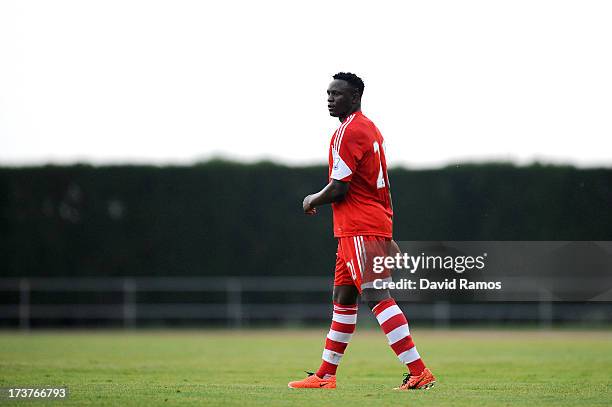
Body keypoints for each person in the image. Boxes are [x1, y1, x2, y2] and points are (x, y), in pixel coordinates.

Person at [288, 72, 436, 390]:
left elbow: (340, 189)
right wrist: (385, 230)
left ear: (354, 97)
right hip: (360, 229)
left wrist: (311, 199)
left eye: (337, 94)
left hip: (358, 228)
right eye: (328, 94)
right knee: (343, 299)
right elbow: (376, 186)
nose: (330, 99)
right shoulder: (370, 129)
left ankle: (419, 371)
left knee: (376, 296)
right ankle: (326, 375)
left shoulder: (348, 131)